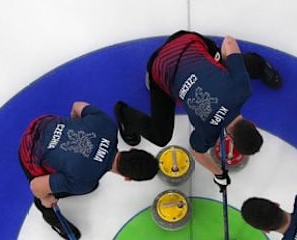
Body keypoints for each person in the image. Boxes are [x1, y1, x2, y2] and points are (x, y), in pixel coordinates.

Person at [113, 30, 282, 189]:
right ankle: (123, 113)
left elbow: (229, 42)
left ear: (252, 124)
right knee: (160, 136)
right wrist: (219, 174)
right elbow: (197, 152)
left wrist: (222, 66)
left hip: (185, 40)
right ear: (229, 137)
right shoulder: (208, 133)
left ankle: (253, 63)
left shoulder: (243, 89)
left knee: (237, 69)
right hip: (159, 66)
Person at [19, 101, 158, 240]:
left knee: (80, 182)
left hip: (43, 123)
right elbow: (35, 186)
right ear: (128, 178)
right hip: (29, 150)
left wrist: (75, 126)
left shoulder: (108, 124)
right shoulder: (84, 182)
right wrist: (45, 199)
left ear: (132, 150)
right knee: (48, 195)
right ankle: (52, 218)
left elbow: (76, 105)